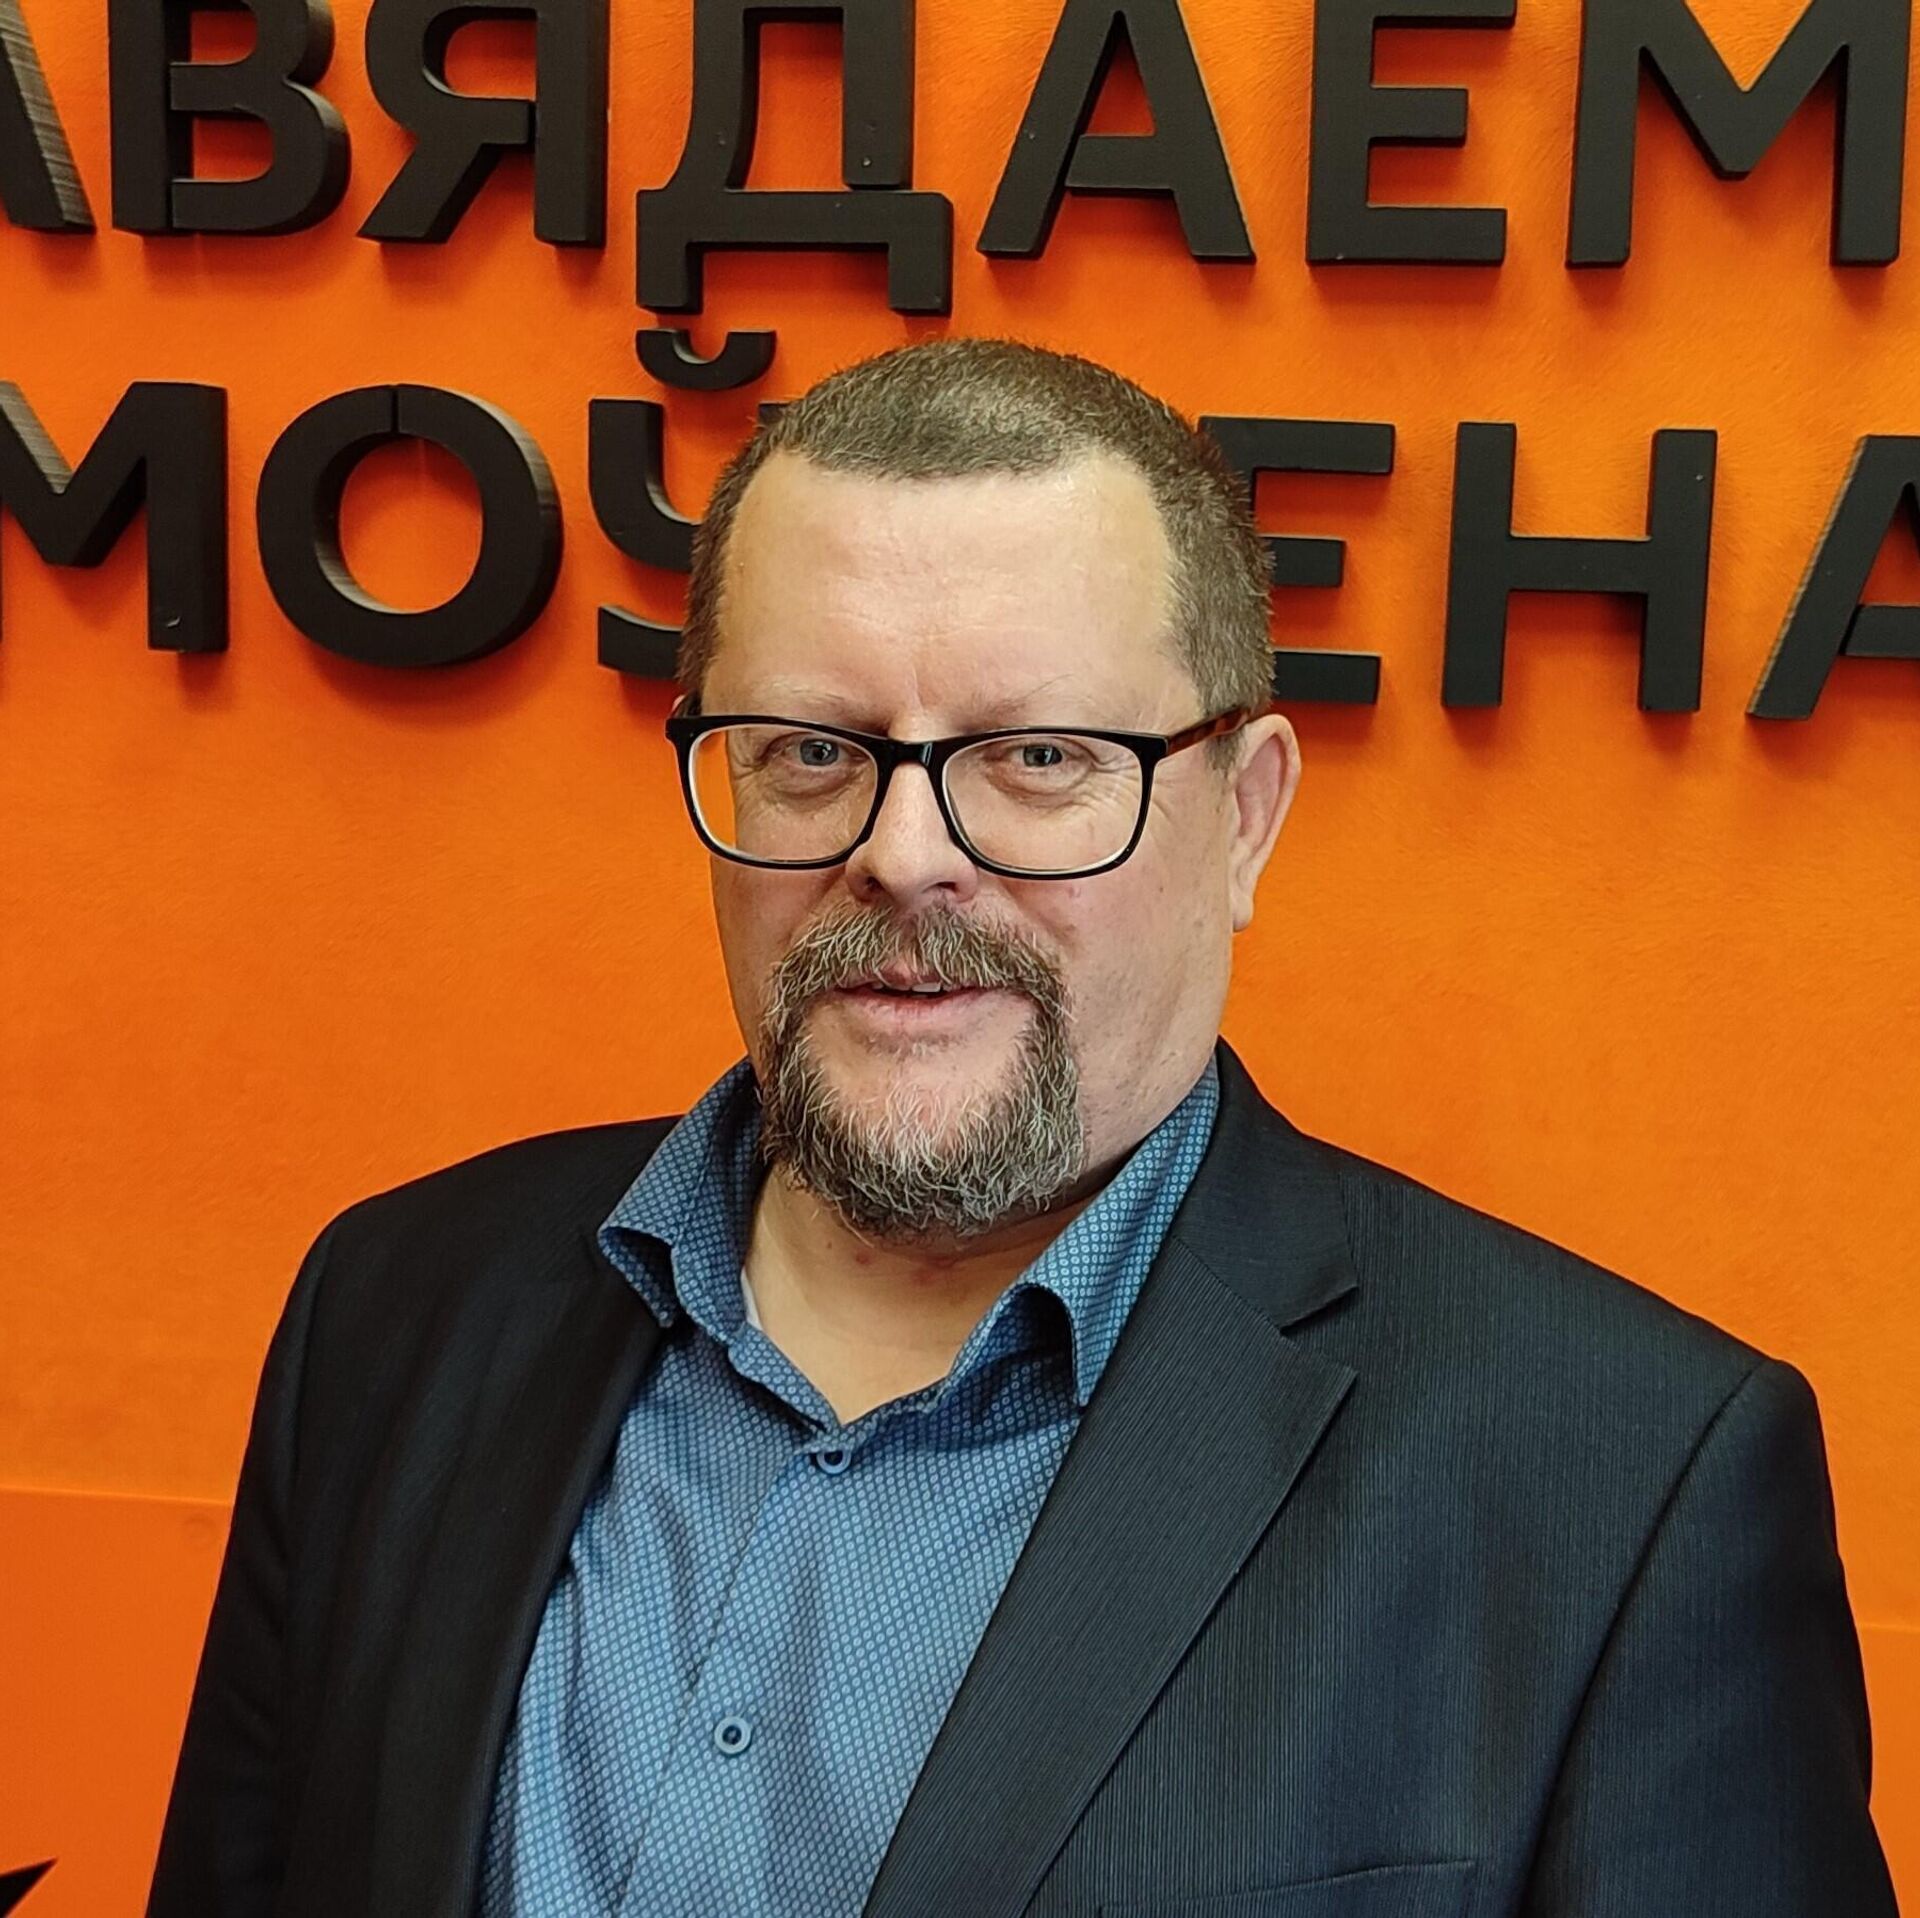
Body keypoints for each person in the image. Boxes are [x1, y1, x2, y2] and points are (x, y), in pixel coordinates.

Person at [147, 338, 1896, 1918]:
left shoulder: (1626, 1492)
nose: (904, 854)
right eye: (810, 749)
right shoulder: (395, 1312)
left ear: (1245, 816)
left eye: (1040, 756)